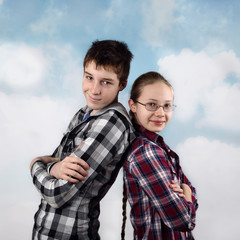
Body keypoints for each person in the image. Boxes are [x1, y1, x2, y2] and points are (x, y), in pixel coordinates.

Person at [30, 40, 135, 240]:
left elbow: (56, 193)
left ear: (122, 84)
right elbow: (55, 161)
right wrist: (53, 168)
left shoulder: (111, 122)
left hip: (71, 234)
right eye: (89, 77)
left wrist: (35, 163)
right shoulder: (85, 113)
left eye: (106, 82)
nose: (94, 90)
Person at [122, 71, 198, 240]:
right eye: (151, 104)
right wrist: (187, 195)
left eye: (167, 105)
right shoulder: (146, 152)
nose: (161, 113)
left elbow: (189, 187)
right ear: (133, 105)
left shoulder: (159, 147)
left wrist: (187, 194)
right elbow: (184, 220)